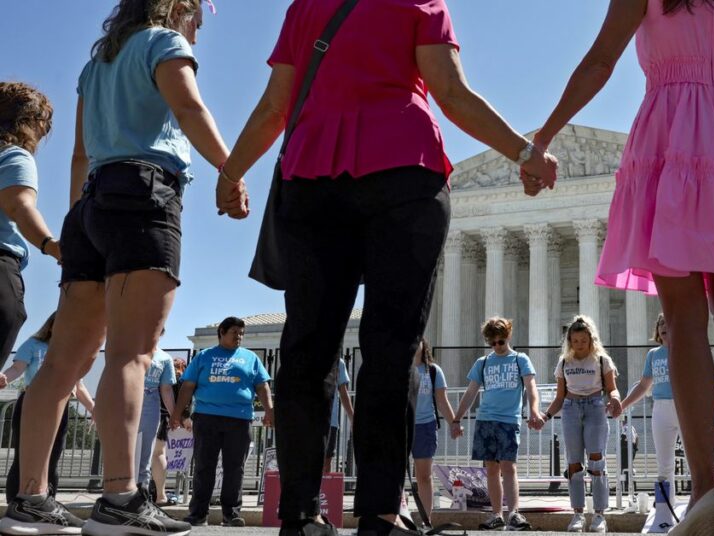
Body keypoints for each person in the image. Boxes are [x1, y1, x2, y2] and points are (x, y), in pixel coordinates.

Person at [215, 0, 558, 534]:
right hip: (404, 172)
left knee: (307, 348)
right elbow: (451, 93)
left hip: (313, 179)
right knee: (391, 350)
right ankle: (379, 511)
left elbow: (274, 107)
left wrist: (232, 172)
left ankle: (301, 514)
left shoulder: (305, 7)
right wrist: (524, 152)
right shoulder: (420, 2)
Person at [534, 0, 714, 534]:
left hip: (668, 144)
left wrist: (544, 137)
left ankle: (706, 488)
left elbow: (599, 64)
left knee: (684, 322)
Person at [2, 0, 242, 534]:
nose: (202, 22)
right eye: (200, 10)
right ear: (178, 6)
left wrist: (74, 227)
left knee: (64, 363)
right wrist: (232, 170)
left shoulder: (96, 66)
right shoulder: (165, 43)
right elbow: (190, 110)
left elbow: (79, 157)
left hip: (89, 205)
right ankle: (120, 499)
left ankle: (29, 500)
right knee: (132, 353)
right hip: (144, 194)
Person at [171, 317, 273, 527]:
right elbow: (188, 386)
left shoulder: (251, 358)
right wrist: (177, 413)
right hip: (207, 418)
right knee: (203, 466)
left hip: (240, 419)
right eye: (235, 332)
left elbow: (262, 386)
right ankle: (198, 514)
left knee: (235, 468)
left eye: (242, 333)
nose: (239, 337)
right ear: (221, 332)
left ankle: (231, 514)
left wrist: (270, 410)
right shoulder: (204, 357)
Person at [451, 318, 542, 532]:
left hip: (509, 420)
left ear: (508, 336)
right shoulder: (482, 363)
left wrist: (534, 411)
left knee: (509, 467)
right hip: (486, 420)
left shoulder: (520, 359)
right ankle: (496, 515)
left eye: (500, 341)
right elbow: (470, 392)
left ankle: (514, 513)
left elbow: (531, 388)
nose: (497, 346)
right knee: (491, 468)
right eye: (492, 343)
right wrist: (457, 419)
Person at [0, 313, 95, 508]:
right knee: (23, 458)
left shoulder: (75, 351)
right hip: (32, 403)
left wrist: (95, 409)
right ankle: (14, 506)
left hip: (60, 406)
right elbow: (17, 369)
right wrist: (3, 379)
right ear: (51, 325)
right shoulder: (33, 344)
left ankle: (46, 505)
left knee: (52, 459)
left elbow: (79, 386)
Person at [0, 82, 63, 372]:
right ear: (28, 121)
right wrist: (52, 246)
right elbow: (20, 206)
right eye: (44, 123)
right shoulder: (14, 156)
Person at [538, 316, 621, 533]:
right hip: (570, 409)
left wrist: (615, 398)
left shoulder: (602, 360)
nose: (579, 345)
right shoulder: (564, 362)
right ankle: (577, 514)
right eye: (575, 341)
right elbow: (559, 397)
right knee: (573, 464)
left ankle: (600, 515)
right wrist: (545, 416)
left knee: (596, 460)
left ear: (591, 339)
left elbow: (612, 388)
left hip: (595, 407)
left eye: (583, 340)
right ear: (569, 341)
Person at [621, 314, 680, 530]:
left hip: (686, 407)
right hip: (661, 408)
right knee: (664, 465)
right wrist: (624, 404)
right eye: (660, 324)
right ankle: (664, 514)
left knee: (695, 463)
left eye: (668, 322)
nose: (664, 327)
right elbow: (644, 385)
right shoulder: (653, 355)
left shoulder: (685, 349)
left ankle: (695, 510)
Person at [410, 339, 457, 526]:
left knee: (424, 475)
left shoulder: (433, 371)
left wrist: (454, 423)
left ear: (424, 345)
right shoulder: (399, 369)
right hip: (402, 426)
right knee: (395, 475)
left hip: (425, 426)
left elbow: (442, 401)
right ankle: (395, 516)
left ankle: (425, 519)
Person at [137, 344, 177, 495]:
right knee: (124, 447)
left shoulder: (165, 358)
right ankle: (118, 493)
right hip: (126, 400)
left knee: (147, 450)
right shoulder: (127, 350)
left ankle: (142, 492)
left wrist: (174, 415)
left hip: (150, 401)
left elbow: (166, 389)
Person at [152, 358, 191, 506]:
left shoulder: (156, 376)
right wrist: (182, 417)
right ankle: (160, 495)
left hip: (145, 414)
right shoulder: (179, 380)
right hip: (163, 418)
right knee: (158, 454)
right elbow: (182, 400)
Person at [324, 356, 354, 474]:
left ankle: (324, 491)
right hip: (310, 419)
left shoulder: (338, 362)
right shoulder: (308, 357)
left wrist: (352, 417)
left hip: (330, 420)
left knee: (327, 459)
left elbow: (343, 392)